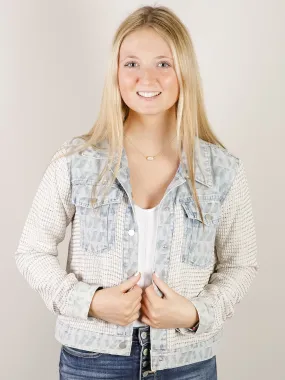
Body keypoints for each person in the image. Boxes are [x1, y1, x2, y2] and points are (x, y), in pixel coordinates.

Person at [15, 5, 258, 380]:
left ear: (184, 73)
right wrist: (91, 302)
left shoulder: (223, 170)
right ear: (116, 72)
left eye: (163, 63)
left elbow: (240, 265)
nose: (146, 77)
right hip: (92, 361)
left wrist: (194, 313)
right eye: (131, 64)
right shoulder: (76, 160)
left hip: (187, 362)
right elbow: (32, 250)